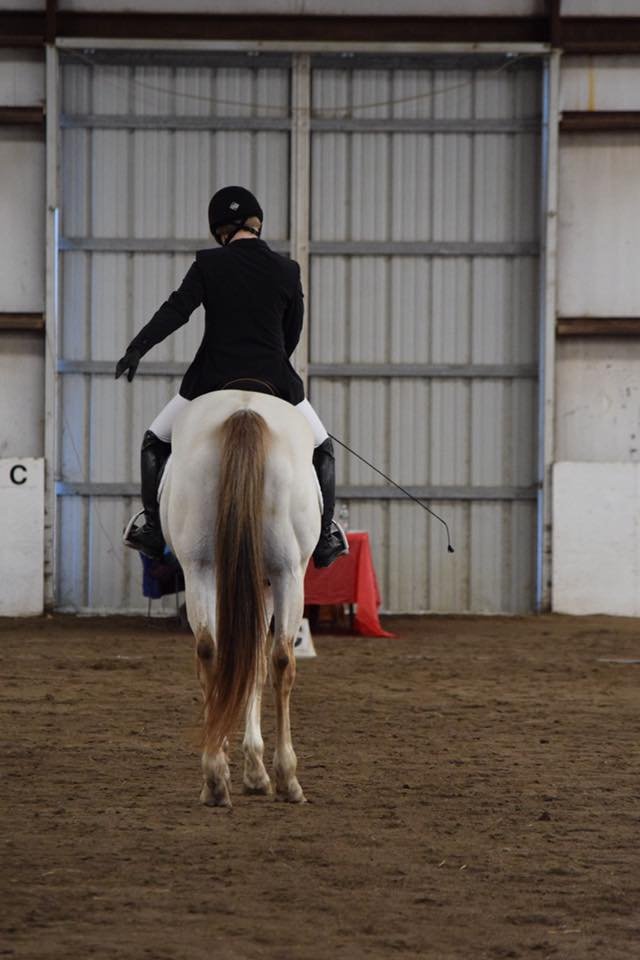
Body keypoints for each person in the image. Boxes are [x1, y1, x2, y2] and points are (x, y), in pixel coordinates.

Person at [115, 185, 348, 569]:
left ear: (219, 230)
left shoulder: (209, 264)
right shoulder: (289, 270)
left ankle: (154, 529)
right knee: (322, 447)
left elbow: (177, 310)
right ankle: (323, 537)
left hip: (210, 380)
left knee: (154, 441)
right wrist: (270, 365)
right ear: (257, 223)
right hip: (276, 381)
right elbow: (293, 333)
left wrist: (137, 348)